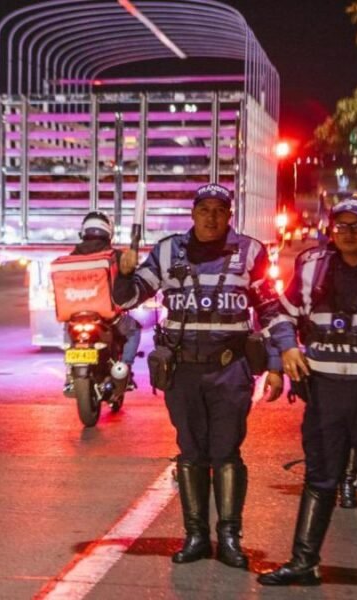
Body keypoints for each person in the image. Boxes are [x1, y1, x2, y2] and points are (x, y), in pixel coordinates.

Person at [114, 183, 297, 570]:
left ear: (229, 215)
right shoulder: (167, 252)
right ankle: (196, 536)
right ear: (193, 213)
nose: (211, 217)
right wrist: (123, 273)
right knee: (191, 452)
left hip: (230, 369)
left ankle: (229, 538)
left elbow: (270, 310)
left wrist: (279, 362)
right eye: (204, 209)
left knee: (226, 452)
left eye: (219, 210)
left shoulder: (250, 253)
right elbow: (128, 299)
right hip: (183, 372)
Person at [258, 198, 357, 590]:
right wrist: (287, 347)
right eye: (342, 225)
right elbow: (276, 310)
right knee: (321, 478)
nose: (349, 233)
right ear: (332, 229)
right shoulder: (312, 267)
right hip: (325, 393)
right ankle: (303, 562)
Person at [69, 211, 142, 384]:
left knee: (69, 328)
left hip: (76, 314)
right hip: (108, 316)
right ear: (108, 234)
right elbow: (128, 279)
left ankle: (70, 372)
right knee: (134, 330)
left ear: (83, 232)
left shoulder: (71, 257)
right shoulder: (115, 257)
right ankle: (124, 369)